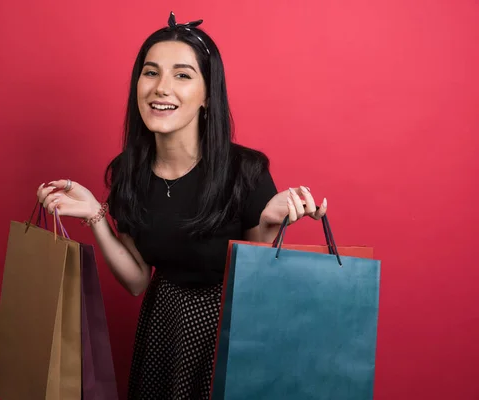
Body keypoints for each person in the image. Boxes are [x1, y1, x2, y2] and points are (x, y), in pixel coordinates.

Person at [37, 11, 328, 400]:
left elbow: (258, 286)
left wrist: (270, 223)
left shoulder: (246, 170)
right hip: (163, 327)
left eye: (183, 75)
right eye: (151, 72)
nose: (161, 88)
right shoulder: (128, 172)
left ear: (208, 94)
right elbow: (139, 280)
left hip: (228, 331)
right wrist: (96, 216)